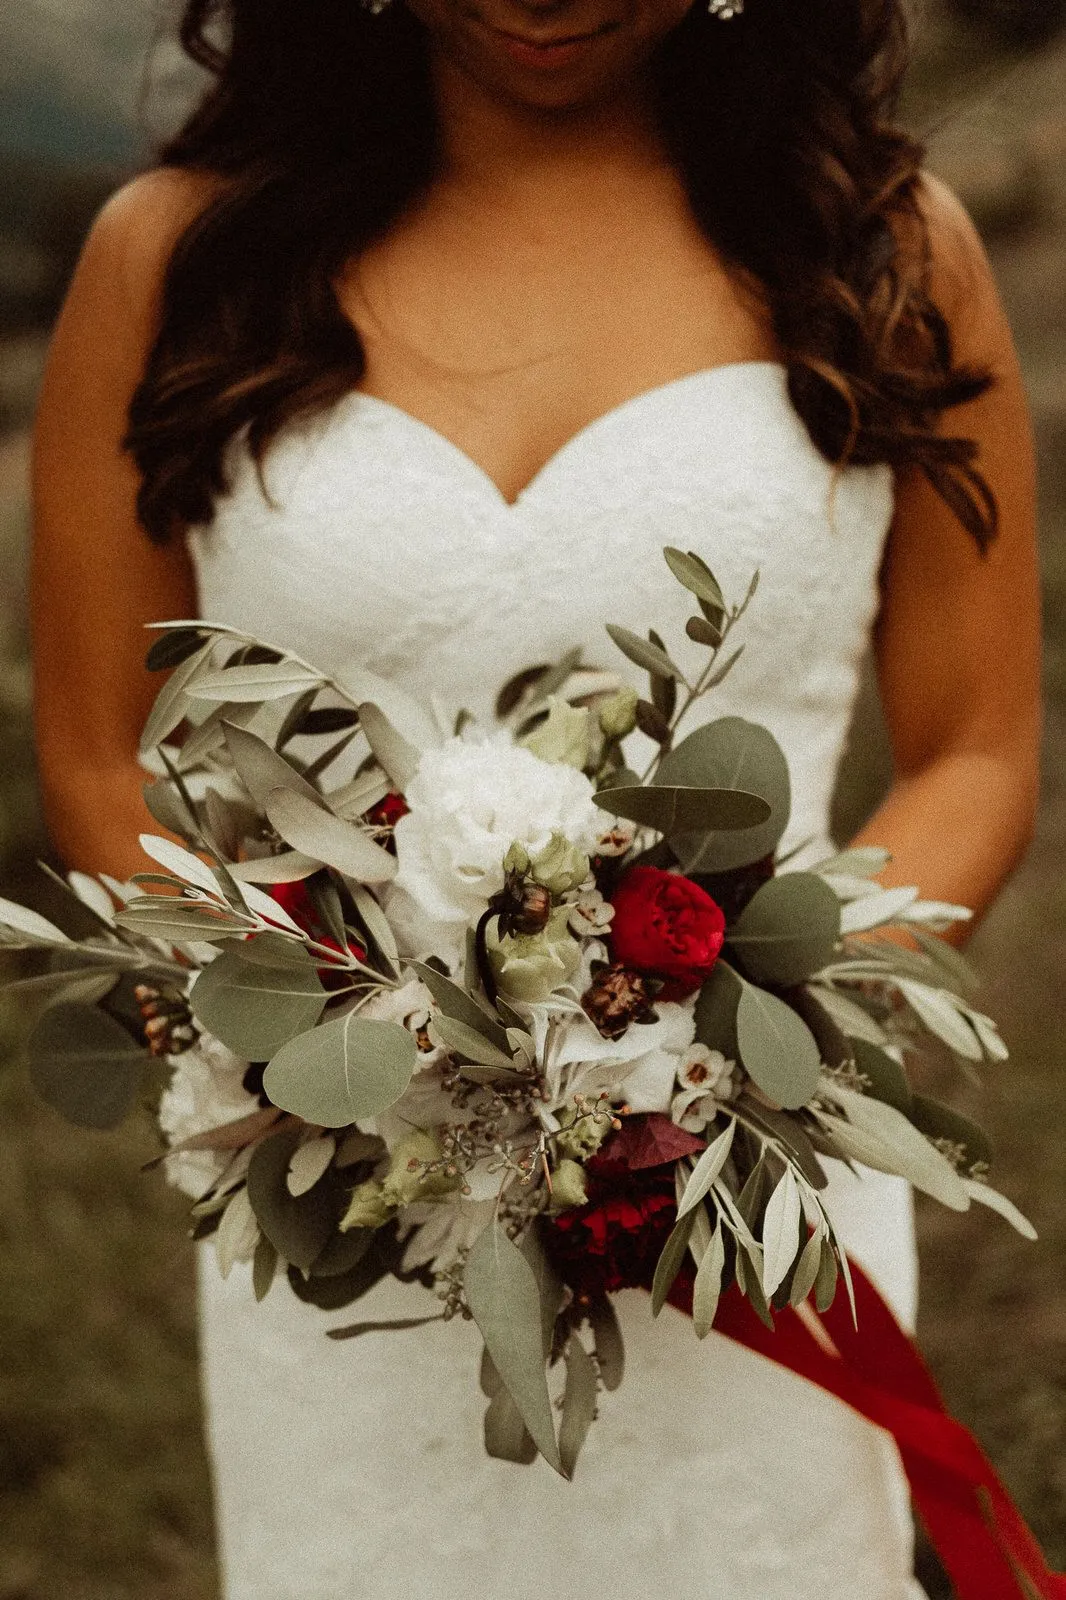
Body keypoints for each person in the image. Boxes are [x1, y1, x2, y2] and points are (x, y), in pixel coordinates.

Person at [30, 1, 1041, 1596]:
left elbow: (974, 745)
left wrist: (728, 1053)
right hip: (357, 1199)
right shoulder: (174, 257)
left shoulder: (879, 246)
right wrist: (336, 1039)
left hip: (746, 1211)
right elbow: (100, 753)